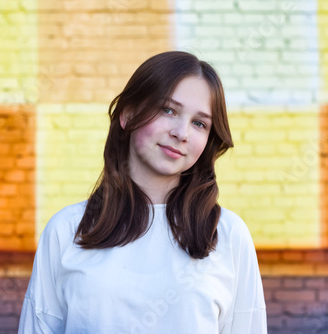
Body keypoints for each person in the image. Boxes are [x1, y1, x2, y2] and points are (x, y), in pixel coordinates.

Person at [18, 51, 267, 333]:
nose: (181, 132)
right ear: (128, 114)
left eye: (199, 123)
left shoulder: (229, 235)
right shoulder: (66, 230)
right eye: (168, 110)